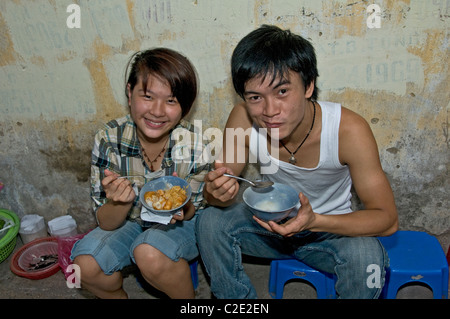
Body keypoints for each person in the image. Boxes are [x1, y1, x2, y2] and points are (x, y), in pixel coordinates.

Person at [196, 25, 398, 299]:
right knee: (209, 221)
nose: (269, 111)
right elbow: (221, 191)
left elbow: (387, 220)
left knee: (368, 257)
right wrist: (215, 190)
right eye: (255, 97)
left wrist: (314, 220)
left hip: (329, 232)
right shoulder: (242, 119)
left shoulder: (348, 131)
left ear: (309, 86)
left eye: (282, 92)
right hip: (270, 230)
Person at [71, 48, 210, 299]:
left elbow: (192, 213)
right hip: (129, 222)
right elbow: (107, 222)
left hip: (182, 227)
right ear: (129, 92)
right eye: (147, 96)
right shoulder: (109, 139)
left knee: (148, 252)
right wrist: (119, 201)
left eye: (171, 100)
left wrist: (181, 205)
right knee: (83, 267)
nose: (157, 111)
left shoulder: (195, 143)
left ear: (184, 106)